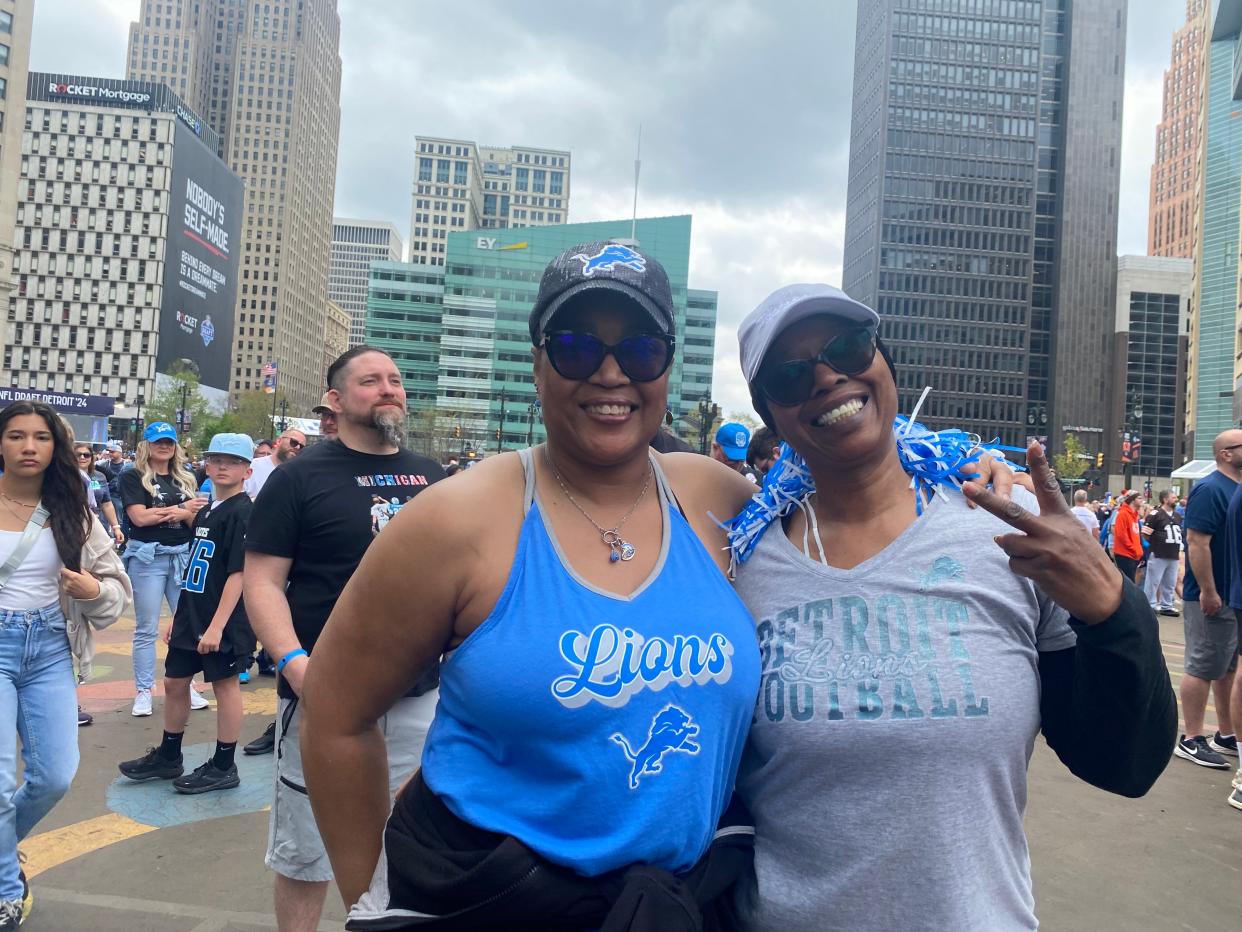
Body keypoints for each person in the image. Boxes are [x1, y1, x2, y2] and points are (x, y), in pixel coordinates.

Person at [299, 251, 1021, 929]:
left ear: (668, 369)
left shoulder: (719, 500)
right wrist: (372, 901)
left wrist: (968, 458)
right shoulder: (457, 519)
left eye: (641, 350)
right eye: (580, 347)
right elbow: (334, 716)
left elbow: (839, 477)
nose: (612, 374)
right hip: (489, 896)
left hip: (676, 902)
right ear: (538, 363)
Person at [724, 283, 1176, 932]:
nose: (826, 376)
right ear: (772, 410)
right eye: (792, 374)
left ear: (882, 361)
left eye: (847, 347)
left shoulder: (1004, 531)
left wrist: (1112, 608)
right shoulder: (742, 563)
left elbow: (1124, 765)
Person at [244, 346, 445, 932]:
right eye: (369, 381)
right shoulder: (297, 478)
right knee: (305, 853)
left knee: (417, 844)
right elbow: (262, 582)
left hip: (421, 700)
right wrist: (296, 666)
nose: (388, 389)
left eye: (395, 380)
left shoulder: (432, 477)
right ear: (334, 399)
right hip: (324, 699)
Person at [0, 402, 131, 929]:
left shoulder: (72, 510)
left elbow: (116, 589)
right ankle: (8, 888)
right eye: (15, 436)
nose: (29, 446)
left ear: (56, 446)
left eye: (40, 437)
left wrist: (93, 588)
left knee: (55, 776)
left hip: (52, 646)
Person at [118, 434, 257, 794]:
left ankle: (224, 764)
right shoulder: (207, 510)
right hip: (191, 613)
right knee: (175, 682)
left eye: (233, 461)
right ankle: (168, 754)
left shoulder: (244, 511)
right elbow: (197, 569)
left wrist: (217, 626)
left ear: (247, 469)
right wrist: (180, 619)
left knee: (225, 686)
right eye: (216, 459)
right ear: (206, 465)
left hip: (220, 618)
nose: (223, 466)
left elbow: (238, 574)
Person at [120, 423, 209, 717]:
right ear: (147, 445)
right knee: (146, 628)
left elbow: (195, 520)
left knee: (188, 625)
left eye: (169, 442)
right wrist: (182, 508)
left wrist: (181, 512)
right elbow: (139, 518)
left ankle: (187, 685)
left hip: (182, 555)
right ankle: (144, 690)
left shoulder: (185, 477)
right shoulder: (132, 476)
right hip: (148, 557)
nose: (165, 446)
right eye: (159, 441)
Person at [1176, 429, 1242, 769]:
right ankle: (1191, 738)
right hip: (1211, 594)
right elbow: (1197, 542)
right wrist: (1208, 590)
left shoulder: (1235, 488)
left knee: (1226, 666)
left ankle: (1226, 732)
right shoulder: (1210, 488)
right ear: (1225, 454)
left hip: (1232, 593)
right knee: (1202, 665)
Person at [1143, 490, 1182, 617]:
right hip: (1159, 553)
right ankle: (1150, 604)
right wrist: (1156, 544)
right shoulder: (1155, 514)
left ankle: (1167, 605)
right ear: (1165, 499)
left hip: (1173, 553)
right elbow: (1146, 534)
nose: (1176, 499)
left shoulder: (1177, 515)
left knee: (1170, 582)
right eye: (1173, 497)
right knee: (1153, 581)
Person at [245, 429, 306, 501]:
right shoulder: (253, 466)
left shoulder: (300, 475)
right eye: (294, 442)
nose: (297, 447)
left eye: (301, 446)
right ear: (279, 441)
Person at [1112, 491, 1143, 581]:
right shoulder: (1122, 514)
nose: (1142, 500)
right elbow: (1122, 536)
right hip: (1125, 555)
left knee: (1131, 582)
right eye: (1139, 498)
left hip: (1133, 555)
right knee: (1127, 583)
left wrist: (1138, 550)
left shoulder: (1134, 515)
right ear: (1132, 500)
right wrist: (1134, 549)